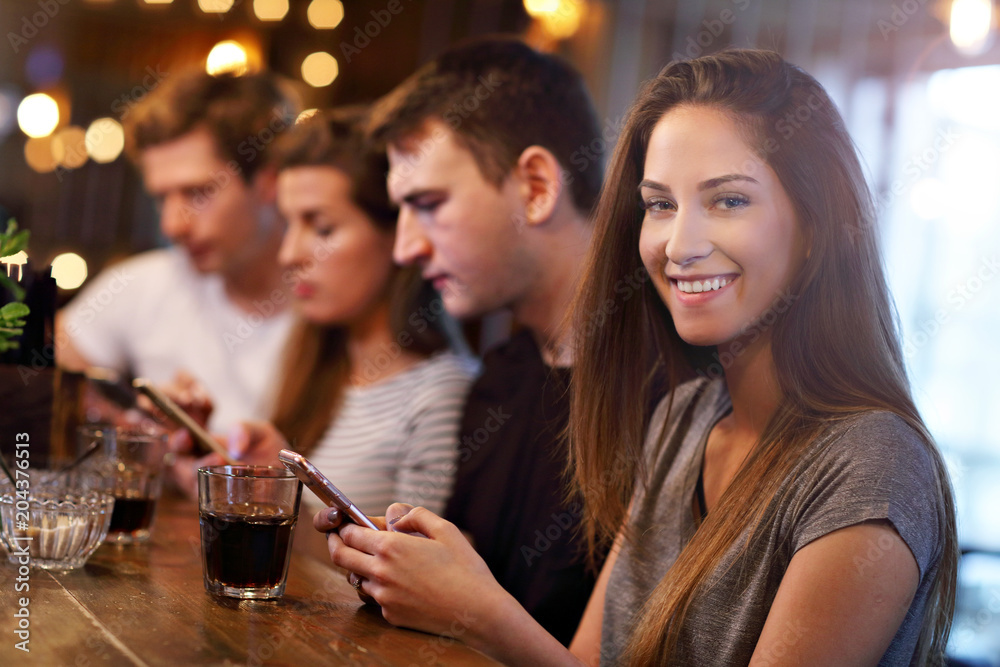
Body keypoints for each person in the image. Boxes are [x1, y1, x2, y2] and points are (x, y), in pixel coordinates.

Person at [314, 49, 958, 666]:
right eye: (660, 205)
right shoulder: (683, 418)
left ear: (817, 228)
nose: (679, 244)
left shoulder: (873, 462)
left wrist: (480, 612)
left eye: (728, 200)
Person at [366, 36, 605, 645]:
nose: (404, 248)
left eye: (427, 203)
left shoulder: (669, 394)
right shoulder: (502, 374)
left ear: (535, 186)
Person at [213, 108, 475, 516]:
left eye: (321, 229)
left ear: (397, 233)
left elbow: (408, 571)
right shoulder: (313, 359)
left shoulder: (439, 393)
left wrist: (277, 506)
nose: (288, 254)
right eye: (288, 225)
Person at [56, 70, 297, 432]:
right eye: (161, 198)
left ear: (269, 180)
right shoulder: (145, 284)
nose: (172, 225)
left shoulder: (333, 307)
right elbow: (42, 375)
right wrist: (127, 425)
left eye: (198, 193)